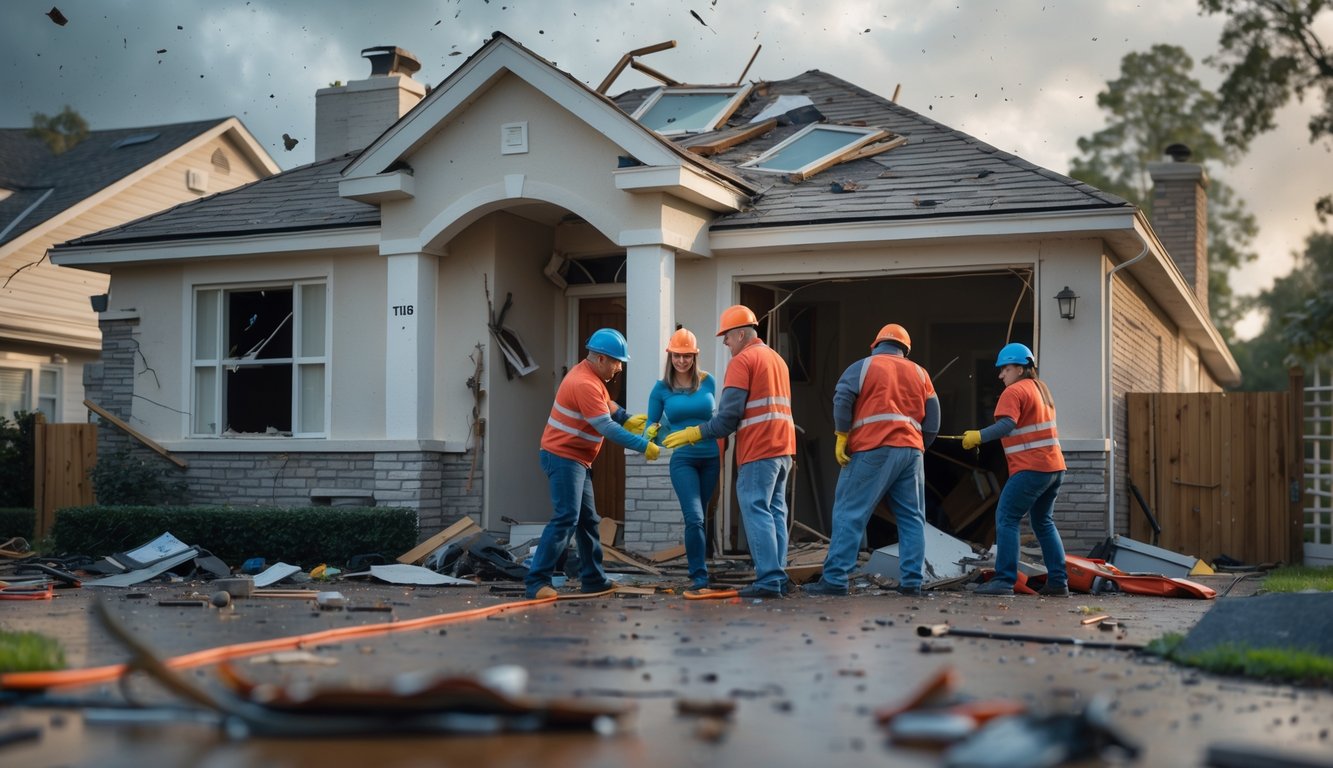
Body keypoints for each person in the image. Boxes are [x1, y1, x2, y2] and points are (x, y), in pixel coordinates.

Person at [663, 305, 795, 598]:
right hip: (783, 447)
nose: (724, 343)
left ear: (739, 334)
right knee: (775, 511)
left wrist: (697, 432)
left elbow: (727, 418)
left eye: (726, 337)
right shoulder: (777, 360)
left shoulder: (743, 361)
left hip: (759, 448)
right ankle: (778, 576)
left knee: (756, 508)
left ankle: (768, 580)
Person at [524, 328, 660, 600]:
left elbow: (606, 405)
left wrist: (627, 417)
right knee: (566, 517)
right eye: (616, 361)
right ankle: (537, 582)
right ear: (600, 359)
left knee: (588, 521)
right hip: (563, 457)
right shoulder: (584, 383)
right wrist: (643, 445)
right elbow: (606, 428)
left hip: (576, 459)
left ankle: (594, 579)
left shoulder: (591, 376)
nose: (619, 368)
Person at [805, 324, 939, 597]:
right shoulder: (920, 373)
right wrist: (919, 446)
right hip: (912, 452)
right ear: (905, 349)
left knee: (849, 512)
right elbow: (934, 421)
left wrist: (842, 433)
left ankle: (835, 579)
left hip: (873, 447)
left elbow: (843, 397)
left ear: (876, 345)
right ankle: (912, 581)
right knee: (912, 518)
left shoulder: (863, 367)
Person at [963, 342, 1069, 597]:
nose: (1001, 375)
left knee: (1006, 517)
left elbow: (1006, 425)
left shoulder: (1014, 392)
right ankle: (1058, 582)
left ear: (1020, 369)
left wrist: (978, 435)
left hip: (1031, 468)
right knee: (1043, 522)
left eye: (1005, 369)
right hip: (1054, 467)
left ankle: (1003, 581)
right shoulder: (1042, 390)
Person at [645, 328, 718, 591]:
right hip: (683, 461)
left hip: (710, 458)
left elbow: (717, 419)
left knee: (704, 515)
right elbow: (650, 425)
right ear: (670, 356)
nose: (682, 361)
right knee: (694, 517)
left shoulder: (708, 381)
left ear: (694, 356)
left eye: (687, 356)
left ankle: (703, 564)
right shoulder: (661, 388)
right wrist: (649, 434)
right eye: (677, 356)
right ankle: (699, 576)